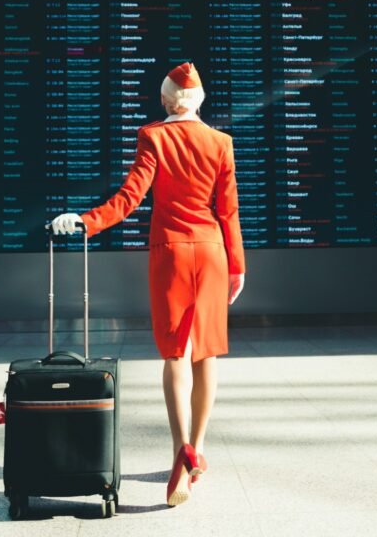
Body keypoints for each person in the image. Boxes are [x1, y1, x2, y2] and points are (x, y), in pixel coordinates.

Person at [50, 62, 245, 508]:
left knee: (176, 352)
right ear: (200, 101)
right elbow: (229, 211)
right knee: (206, 352)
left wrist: (86, 222)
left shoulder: (153, 136)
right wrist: (238, 266)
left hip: (172, 253)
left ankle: (180, 450)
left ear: (164, 99)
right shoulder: (221, 143)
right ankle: (198, 450)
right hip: (213, 252)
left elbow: (129, 198)